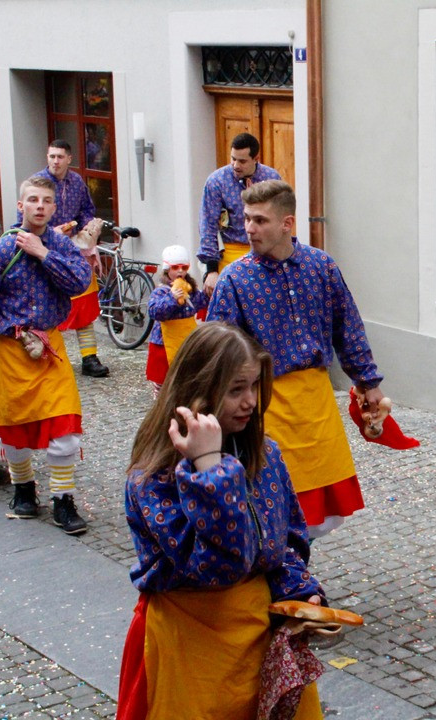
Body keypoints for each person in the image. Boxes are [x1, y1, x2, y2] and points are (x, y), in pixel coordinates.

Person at [116, 322, 324, 720]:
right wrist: (209, 471)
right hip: (192, 642)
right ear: (198, 392)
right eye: (235, 390)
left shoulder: (265, 455)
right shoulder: (153, 478)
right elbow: (219, 567)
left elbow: (288, 541)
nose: (250, 401)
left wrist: (301, 594)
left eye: (254, 386)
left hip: (258, 634)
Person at [208, 180, 384, 539]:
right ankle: (276, 579)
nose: (249, 229)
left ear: (287, 224)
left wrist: (368, 383)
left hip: (315, 401)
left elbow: (347, 327)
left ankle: (296, 578)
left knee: (314, 515)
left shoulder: (321, 267)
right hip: (262, 403)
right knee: (270, 502)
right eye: (246, 219)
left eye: (260, 220)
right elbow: (215, 352)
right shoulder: (234, 280)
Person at [0, 176, 93, 534]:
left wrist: (42, 253)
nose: (39, 206)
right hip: (10, 350)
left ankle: (63, 499)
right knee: (15, 430)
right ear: (21, 206)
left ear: (53, 207)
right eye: (32, 199)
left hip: (50, 348)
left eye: (46, 200)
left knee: (64, 425)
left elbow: (80, 282)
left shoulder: (61, 246)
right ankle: (23, 491)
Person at [21, 139, 110, 378]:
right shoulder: (37, 184)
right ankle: (46, 355)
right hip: (45, 249)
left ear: (69, 159)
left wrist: (86, 228)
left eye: (60, 157)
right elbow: (23, 219)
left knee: (83, 305)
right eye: (52, 156)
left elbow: (86, 209)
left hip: (74, 251)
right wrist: (48, 231)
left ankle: (89, 358)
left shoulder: (77, 182)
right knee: (46, 304)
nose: (55, 161)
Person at [197, 132, 281, 295]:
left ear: (256, 158)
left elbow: (279, 218)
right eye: (233, 159)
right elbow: (207, 224)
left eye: (242, 161)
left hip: (265, 251)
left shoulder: (271, 178)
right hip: (230, 252)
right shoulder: (217, 181)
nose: (236, 165)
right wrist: (211, 269)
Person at [145, 245, 208, 398]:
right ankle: (161, 404)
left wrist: (208, 290)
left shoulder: (191, 290)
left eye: (184, 267)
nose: (180, 271)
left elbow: (203, 302)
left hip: (187, 339)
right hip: (164, 343)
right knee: (163, 378)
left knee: (187, 375)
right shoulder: (161, 291)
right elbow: (155, 311)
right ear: (167, 269)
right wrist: (172, 298)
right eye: (175, 267)